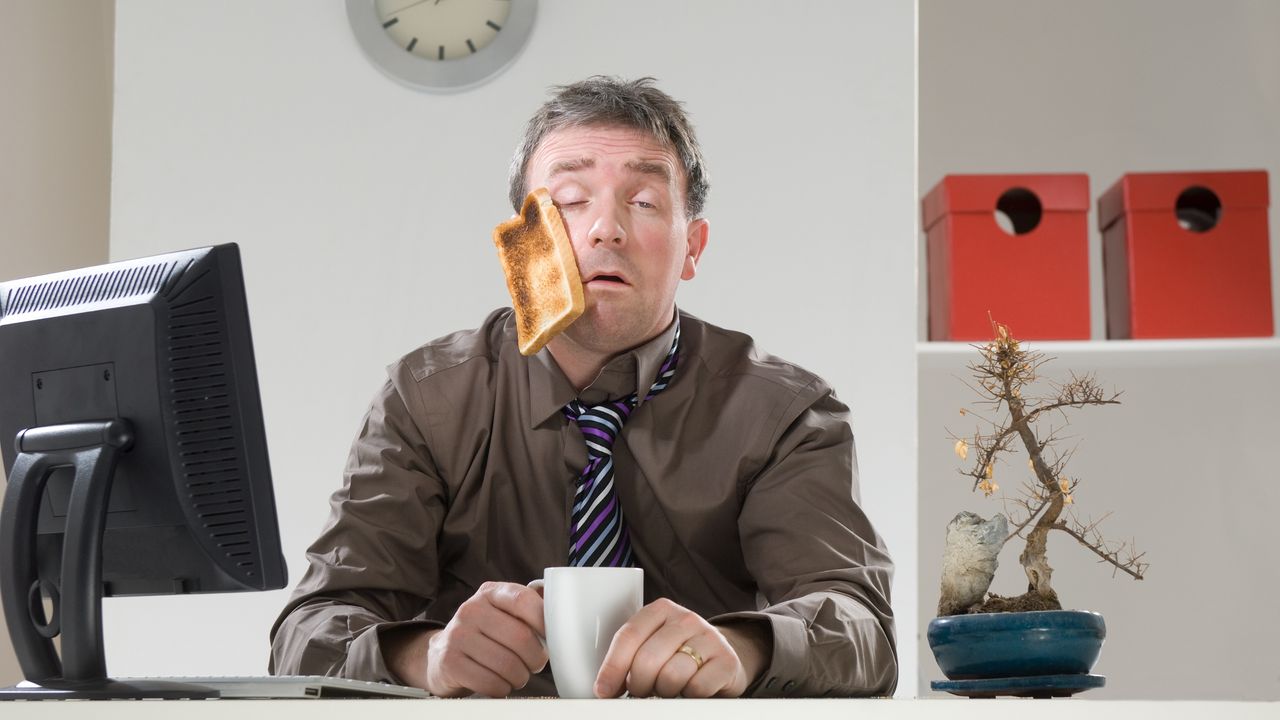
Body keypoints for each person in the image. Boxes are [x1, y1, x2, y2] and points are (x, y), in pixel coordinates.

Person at [269, 76, 897, 698]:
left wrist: (745, 648)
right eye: (570, 200)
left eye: (645, 202)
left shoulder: (783, 412)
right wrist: (423, 654)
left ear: (692, 249)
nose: (606, 229)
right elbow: (308, 632)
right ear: (522, 244)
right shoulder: (426, 399)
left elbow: (864, 631)